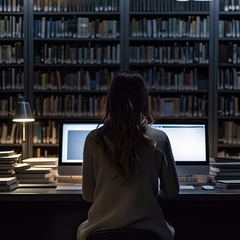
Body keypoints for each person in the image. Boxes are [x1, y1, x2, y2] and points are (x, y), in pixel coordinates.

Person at [77, 71, 180, 240]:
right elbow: (172, 192)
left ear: (110, 101)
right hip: (149, 231)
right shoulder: (159, 139)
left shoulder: (93, 139)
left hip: (100, 231)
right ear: (144, 101)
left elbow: (88, 195)